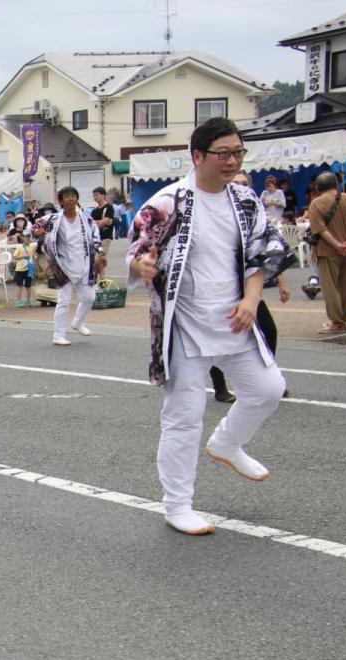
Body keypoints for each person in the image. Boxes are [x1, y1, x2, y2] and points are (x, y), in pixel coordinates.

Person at [127, 117, 290, 536]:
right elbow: (138, 249)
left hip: (234, 317)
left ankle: (227, 443)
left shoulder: (246, 200)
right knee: (183, 415)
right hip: (185, 323)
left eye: (238, 152)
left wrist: (252, 299)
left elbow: (266, 252)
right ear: (197, 156)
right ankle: (177, 504)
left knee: (268, 389)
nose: (232, 160)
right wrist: (141, 264)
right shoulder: (167, 202)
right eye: (223, 153)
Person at [210, 171, 291, 402]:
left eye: (245, 183)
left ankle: (269, 378)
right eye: (236, 183)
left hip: (251, 289)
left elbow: (271, 249)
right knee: (218, 340)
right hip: (220, 290)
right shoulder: (214, 211)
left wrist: (282, 282)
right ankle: (220, 387)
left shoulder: (255, 212)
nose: (240, 187)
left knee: (268, 331)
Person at [33, 187, 106, 346]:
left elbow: (95, 236)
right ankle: (58, 335)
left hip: (83, 263)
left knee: (89, 297)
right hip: (62, 264)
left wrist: (101, 253)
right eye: (67, 196)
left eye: (74, 196)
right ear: (61, 201)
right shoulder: (53, 219)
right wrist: (37, 232)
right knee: (63, 300)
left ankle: (77, 323)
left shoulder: (86, 219)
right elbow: (34, 228)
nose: (71, 199)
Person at [307, 171, 346, 335]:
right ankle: (344, 318)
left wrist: (337, 245)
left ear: (318, 187)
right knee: (345, 286)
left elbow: (321, 230)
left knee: (330, 288)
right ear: (336, 184)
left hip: (328, 250)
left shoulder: (316, 203)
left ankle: (337, 322)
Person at [90, 187, 116, 258]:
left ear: (103, 195)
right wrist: (101, 221)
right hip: (95, 238)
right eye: (94, 195)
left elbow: (105, 222)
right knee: (92, 260)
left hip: (105, 236)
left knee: (101, 260)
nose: (95, 197)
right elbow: (91, 223)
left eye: (96, 195)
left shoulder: (109, 207)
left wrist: (99, 223)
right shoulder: (94, 210)